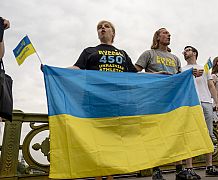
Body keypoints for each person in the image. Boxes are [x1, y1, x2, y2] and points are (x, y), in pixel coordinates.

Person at [71, 20, 137, 180]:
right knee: (97, 140)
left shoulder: (122, 53)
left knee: (114, 140)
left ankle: (110, 176)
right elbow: (76, 68)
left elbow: (135, 75)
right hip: (94, 101)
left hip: (118, 102)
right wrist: (54, 70)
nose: (102, 29)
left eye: (106, 26)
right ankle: (99, 177)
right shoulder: (89, 51)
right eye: (100, 27)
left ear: (113, 33)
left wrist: (160, 75)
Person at [135, 28, 181, 180]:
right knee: (156, 134)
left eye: (169, 33)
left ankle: (180, 170)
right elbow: (134, 72)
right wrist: (155, 75)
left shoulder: (175, 58)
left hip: (173, 100)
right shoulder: (149, 54)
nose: (168, 34)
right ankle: (156, 170)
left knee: (177, 133)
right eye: (164, 32)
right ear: (157, 37)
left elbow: (180, 78)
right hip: (154, 99)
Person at [181, 46, 218, 179]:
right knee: (189, 134)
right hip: (190, 103)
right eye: (184, 51)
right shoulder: (181, 69)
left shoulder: (205, 68)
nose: (185, 52)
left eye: (188, 50)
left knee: (208, 134)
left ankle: (209, 167)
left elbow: (211, 85)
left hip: (206, 102)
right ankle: (189, 168)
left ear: (194, 53)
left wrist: (217, 102)